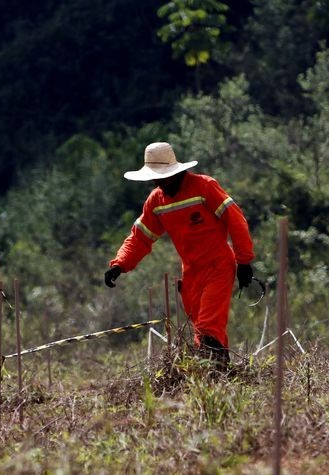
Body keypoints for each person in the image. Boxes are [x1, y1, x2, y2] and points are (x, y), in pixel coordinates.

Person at [104, 142, 255, 369]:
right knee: (201, 331)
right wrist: (120, 264)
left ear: (175, 172)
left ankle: (211, 376)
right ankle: (221, 377)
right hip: (191, 273)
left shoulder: (204, 187)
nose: (157, 182)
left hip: (219, 265)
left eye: (161, 176)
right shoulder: (156, 201)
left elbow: (236, 220)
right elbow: (140, 237)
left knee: (208, 326)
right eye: (154, 177)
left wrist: (243, 261)